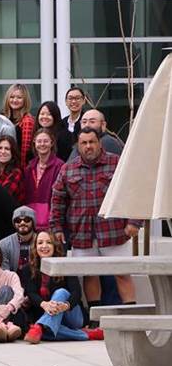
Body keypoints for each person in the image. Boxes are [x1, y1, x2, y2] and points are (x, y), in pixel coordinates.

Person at [50, 128, 141, 306]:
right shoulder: (68, 169)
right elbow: (57, 201)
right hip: (82, 234)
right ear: (78, 145)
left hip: (115, 232)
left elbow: (134, 192)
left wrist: (134, 222)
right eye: (84, 143)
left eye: (92, 142)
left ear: (99, 143)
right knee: (89, 275)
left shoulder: (117, 163)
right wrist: (56, 228)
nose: (88, 146)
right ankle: (95, 319)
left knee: (123, 273)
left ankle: (132, 313)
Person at [20, 231, 97, 343]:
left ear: (55, 246)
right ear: (35, 246)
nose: (44, 246)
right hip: (48, 315)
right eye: (40, 243)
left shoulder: (66, 265)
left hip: (71, 315)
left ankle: (40, 327)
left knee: (61, 292)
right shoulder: (28, 269)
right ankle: (85, 334)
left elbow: (76, 293)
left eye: (49, 243)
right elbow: (31, 293)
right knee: (47, 333)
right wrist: (45, 304)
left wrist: (65, 306)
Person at [21, 129, 63, 230]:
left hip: (50, 221)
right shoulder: (29, 167)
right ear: (34, 143)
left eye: (46, 141)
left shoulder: (60, 166)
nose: (42, 144)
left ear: (51, 143)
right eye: (39, 141)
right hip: (31, 222)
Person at [0, 206, 37, 274]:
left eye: (27, 220)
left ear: (33, 222)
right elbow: (5, 273)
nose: (22, 223)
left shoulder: (42, 242)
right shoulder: (3, 244)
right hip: (12, 282)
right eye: (18, 221)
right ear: (14, 223)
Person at [0, 135, 25, 205]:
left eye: (7, 149)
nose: (3, 151)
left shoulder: (16, 173)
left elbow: (2, 196)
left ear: (13, 152)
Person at [2, 84, 35, 163]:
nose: (15, 100)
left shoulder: (27, 121)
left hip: (19, 165)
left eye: (19, 97)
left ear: (25, 100)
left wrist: (22, 170)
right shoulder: (4, 118)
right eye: (12, 97)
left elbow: (25, 151)